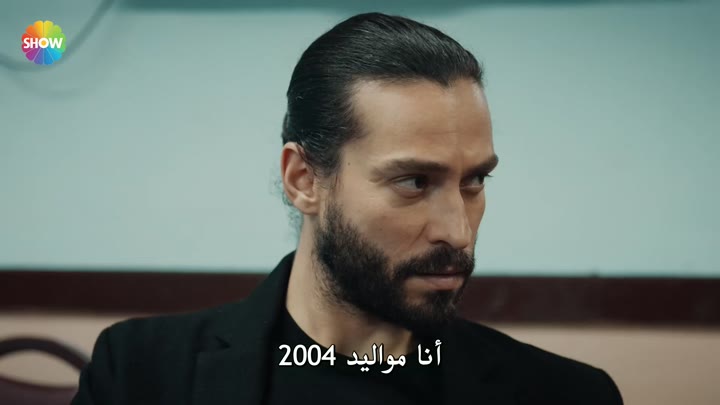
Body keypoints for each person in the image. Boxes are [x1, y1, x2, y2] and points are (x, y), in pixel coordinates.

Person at [71, 12, 623, 405]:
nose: (458, 232)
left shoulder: (564, 394)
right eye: (414, 182)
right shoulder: (141, 374)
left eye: (474, 181)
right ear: (304, 180)